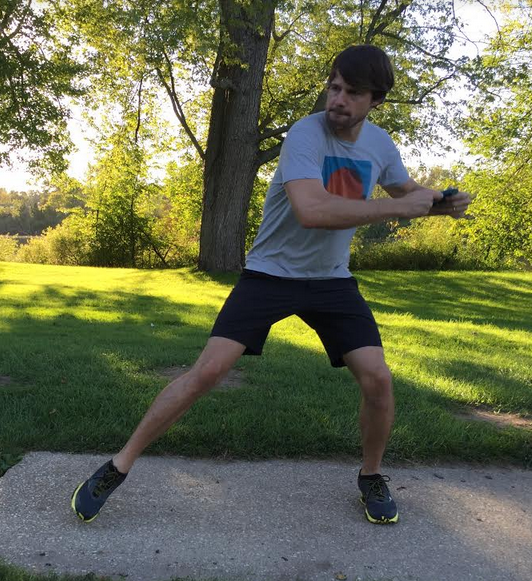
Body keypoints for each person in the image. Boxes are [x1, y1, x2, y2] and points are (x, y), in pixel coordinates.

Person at [70, 44, 471, 525]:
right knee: (208, 373)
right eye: (334, 87)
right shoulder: (305, 134)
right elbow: (313, 210)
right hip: (270, 275)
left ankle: (371, 476)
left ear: (375, 100)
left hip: (331, 282)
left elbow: (403, 190)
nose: (338, 100)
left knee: (379, 379)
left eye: (353, 92)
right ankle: (118, 465)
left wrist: (440, 199)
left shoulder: (379, 144)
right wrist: (400, 208)